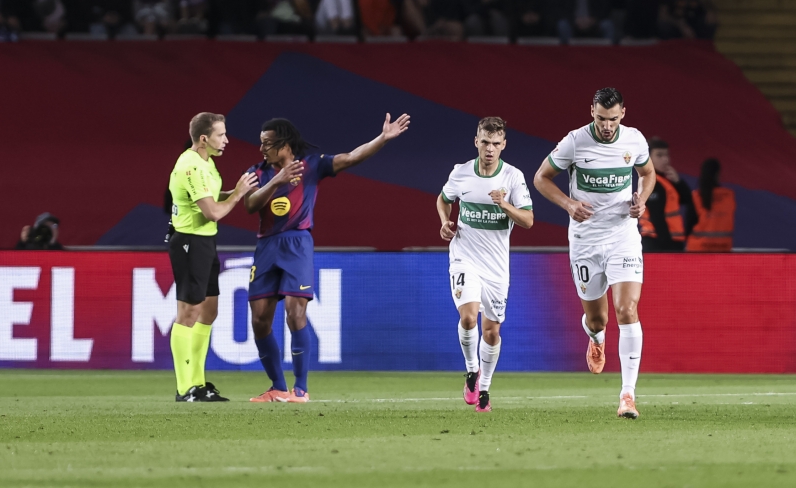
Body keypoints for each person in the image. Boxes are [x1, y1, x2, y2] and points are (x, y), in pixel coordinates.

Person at [245, 113, 410, 403]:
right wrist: (276, 182)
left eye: (267, 144)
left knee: (295, 313)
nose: (262, 149)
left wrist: (382, 138)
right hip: (266, 246)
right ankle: (277, 387)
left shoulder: (311, 165)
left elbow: (351, 157)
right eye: (261, 143)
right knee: (259, 320)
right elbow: (249, 205)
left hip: (297, 243)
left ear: (285, 144)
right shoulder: (257, 173)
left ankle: (301, 389)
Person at [533, 87, 656, 418]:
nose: (607, 126)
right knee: (598, 317)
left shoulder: (634, 140)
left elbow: (648, 174)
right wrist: (568, 203)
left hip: (623, 236)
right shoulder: (574, 142)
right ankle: (595, 336)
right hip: (586, 241)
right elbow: (541, 178)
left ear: (623, 114)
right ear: (592, 112)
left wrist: (641, 200)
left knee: (627, 309)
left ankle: (627, 396)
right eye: (601, 119)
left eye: (613, 119)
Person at [437, 116, 534, 413]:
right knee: (468, 318)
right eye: (485, 142)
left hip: (496, 267)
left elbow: (529, 221)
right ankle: (471, 371)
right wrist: (444, 223)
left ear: (503, 145)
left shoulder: (513, 178)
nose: (489, 149)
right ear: (476, 142)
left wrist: (503, 205)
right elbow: (443, 200)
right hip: (464, 256)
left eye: (495, 143)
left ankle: (485, 389)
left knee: (491, 331)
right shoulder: (461, 173)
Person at [167, 112, 258, 402]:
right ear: (204, 138)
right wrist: (237, 195)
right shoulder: (191, 166)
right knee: (189, 313)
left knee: (209, 311)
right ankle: (185, 388)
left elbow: (213, 197)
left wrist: (240, 191)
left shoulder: (208, 163)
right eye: (221, 135)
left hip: (205, 241)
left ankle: (198, 382)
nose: (227, 140)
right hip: (189, 242)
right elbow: (213, 211)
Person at [639, 137, 695, 252]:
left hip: (668, 241)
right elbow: (657, 217)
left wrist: (678, 182)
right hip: (658, 243)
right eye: (659, 155)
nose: (665, 160)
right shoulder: (652, 182)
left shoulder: (665, 180)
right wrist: (668, 247)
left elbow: (687, 200)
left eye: (667, 155)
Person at [686, 158, 735, 252]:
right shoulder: (729, 196)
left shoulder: (696, 197)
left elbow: (689, 225)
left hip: (697, 249)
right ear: (718, 174)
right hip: (723, 248)